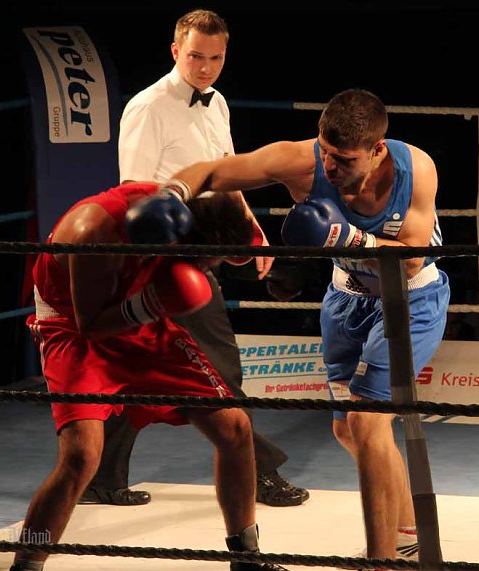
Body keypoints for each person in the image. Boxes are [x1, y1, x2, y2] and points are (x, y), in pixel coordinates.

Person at [127, 88, 450, 562]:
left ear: (377, 150)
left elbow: (409, 259)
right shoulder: (301, 161)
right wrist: (171, 195)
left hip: (409, 299)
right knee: (349, 431)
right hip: (345, 299)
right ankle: (405, 537)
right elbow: (213, 170)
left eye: (343, 158)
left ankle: (380, 560)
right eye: (325, 152)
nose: (330, 167)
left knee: (366, 422)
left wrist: (342, 234)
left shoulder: (414, 169)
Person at [80, 8, 308, 508]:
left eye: (216, 58)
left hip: (205, 247)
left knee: (149, 368)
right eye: (196, 56)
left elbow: (225, 173)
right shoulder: (148, 107)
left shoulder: (218, 103)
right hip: (166, 253)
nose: (205, 68)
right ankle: (258, 472)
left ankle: (99, 476)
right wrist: (153, 265)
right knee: (219, 362)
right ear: (175, 51)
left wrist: (251, 228)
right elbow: (134, 193)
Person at [11, 182, 286, 571]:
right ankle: (26, 564)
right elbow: (91, 324)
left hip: (134, 317)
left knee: (235, 428)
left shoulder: (175, 211)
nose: (208, 271)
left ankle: (246, 558)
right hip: (74, 325)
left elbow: (223, 178)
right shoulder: (93, 230)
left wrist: (251, 248)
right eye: (208, 261)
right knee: (80, 457)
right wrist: (154, 302)